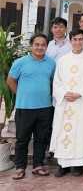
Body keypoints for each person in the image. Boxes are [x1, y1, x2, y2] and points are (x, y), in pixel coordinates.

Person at [7, 34, 57, 180]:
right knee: (22, 139)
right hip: (25, 107)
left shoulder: (51, 63)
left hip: (45, 107)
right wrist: (22, 94)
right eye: (37, 44)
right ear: (31, 46)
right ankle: (20, 167)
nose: (40, 47)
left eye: (43, 45)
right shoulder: (20, 62)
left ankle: (38, 166)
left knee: (41, 138)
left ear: (46, 47)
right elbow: (11, 81)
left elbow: (53, 81)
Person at [50, 29, 83, 177]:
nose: (77, 42)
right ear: (70, 41)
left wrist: (80, 93)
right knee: (63, 131)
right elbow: (56, 82)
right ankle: (63, 166)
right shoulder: (63, 60)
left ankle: (78, 165)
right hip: (65, 102)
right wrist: (63, 94)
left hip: (81, 102)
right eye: (74, 39)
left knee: (80, 133)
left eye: (80, 39)